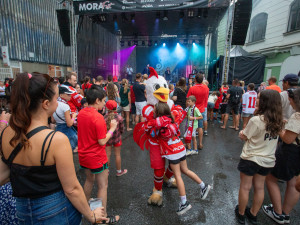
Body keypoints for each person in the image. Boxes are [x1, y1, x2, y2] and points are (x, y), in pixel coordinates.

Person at [0, 72, 107, 224]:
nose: (58, 103)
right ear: (45, 104)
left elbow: (3, 174)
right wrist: (91, 216)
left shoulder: (7, 132)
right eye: (56, 99)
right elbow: (72, 189)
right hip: (55, 211)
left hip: (22, 211)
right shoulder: (55, 140)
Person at [153, 102, 211, 215]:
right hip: (180, 147)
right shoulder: (172, 120)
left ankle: (184, 202)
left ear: (158, 112)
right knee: (186, 170)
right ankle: (203, 186)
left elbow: (153, 132)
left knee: (178, 175)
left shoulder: (160, 123)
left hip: (172, 152)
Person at [236, 89, 284, 224]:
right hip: (267, 160)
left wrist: (241, 132)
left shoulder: (256, 120)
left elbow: (244, 136)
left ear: (264, 102)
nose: (256, 100)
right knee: (259, 187)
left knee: (245, 187)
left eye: (258, 98)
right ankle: (253, 214)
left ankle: (241, 213)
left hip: (251, 158)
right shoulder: (279, 121)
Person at [77, 85, 120, 224]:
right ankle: (102, 217)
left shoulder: (81, 113)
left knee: (89, 180)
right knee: (103, 185)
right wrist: (112, 129)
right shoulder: (98, 117)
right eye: (102, 101)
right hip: (96, 157)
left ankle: (82, 210)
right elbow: (102, 141)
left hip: (84, 156)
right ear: (96, 100)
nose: (103, 103)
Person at [262, 88, 300, 225]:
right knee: (293, 182)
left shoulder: (297, 116)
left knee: (271, 178)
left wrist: (278, 128)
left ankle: (277, 213)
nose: (290, 103)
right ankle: (285, 213)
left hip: (290, 152)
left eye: (291, 101)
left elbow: (288, 139)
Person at [104, 100, 127, 177]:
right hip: (117, 139)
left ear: (106, 108)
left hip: (107, 139)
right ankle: (119, 171)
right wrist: (120, 133)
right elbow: (122, 129)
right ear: (116, 107)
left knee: (107, 155)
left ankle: (106, 171)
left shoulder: (104, 117)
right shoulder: (119, 117)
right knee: (117, 155)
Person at [53, 85, 78, 152]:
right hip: (67, 130)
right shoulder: (65, 106)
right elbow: (69, 124)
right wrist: (74, 116)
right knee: (68, 149)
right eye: (68, 94)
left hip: (58, 128)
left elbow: (52, 120)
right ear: (61, 95)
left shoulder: (54, 104)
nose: (70, 96)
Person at [187, 74, 209, 150]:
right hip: (201, 110)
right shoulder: (206, 88)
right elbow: (206, 99)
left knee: (190, 127)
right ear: (202, 80)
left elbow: (188, 100)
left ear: (195, 80)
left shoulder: (192, 88)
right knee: (200, 127)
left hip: (193, 110)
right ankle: (200, 144)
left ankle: (189, 145)